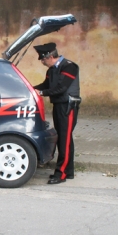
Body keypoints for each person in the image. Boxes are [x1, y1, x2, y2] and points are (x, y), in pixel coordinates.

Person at [32, 43, 81, 185]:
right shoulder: (52, 70)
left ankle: (61, 173)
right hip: (58, 105)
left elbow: (61, 88)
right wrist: (30, 88)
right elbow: (46, 85)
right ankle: (69, 170)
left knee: (64, 140)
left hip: (68, 106)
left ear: (51, 56)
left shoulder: (69, 66)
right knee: (63, 138)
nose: (42, 62)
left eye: (43, 59)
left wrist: (41, 93)